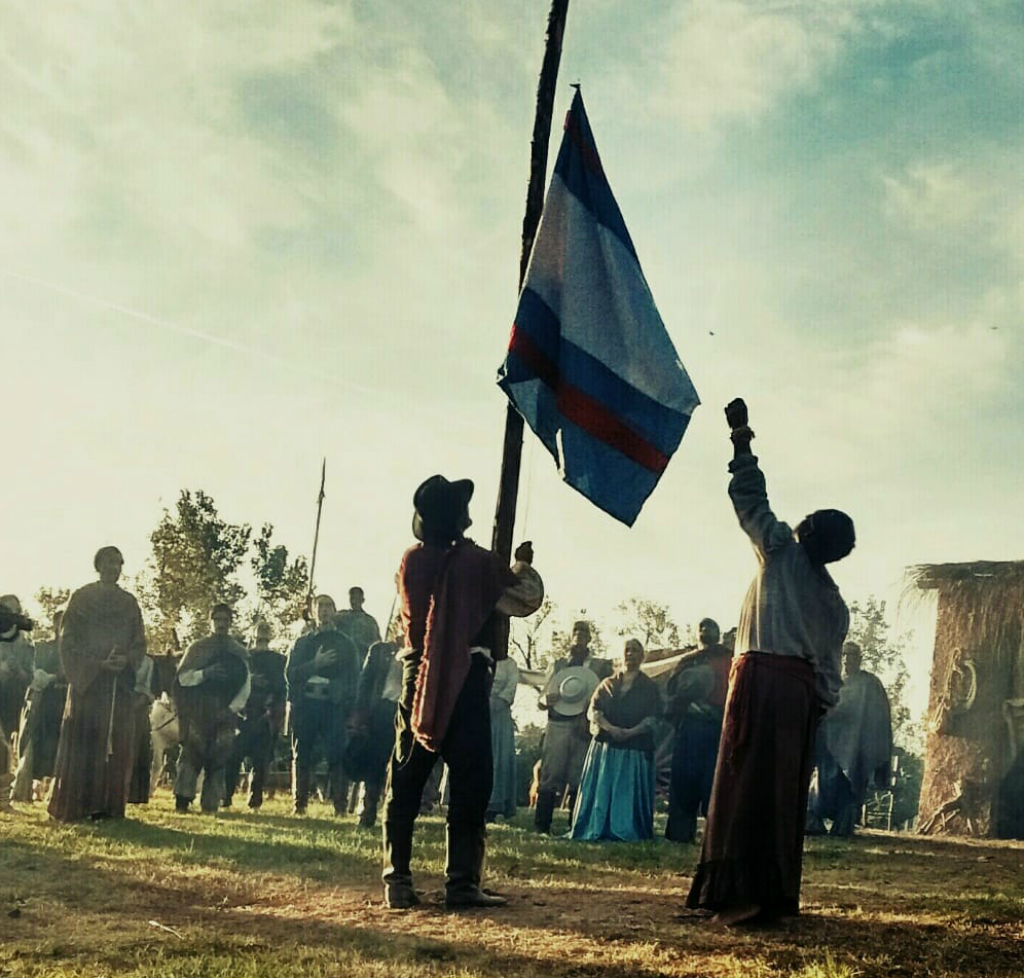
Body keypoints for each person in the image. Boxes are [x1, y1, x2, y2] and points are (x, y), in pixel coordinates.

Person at [686, 398, 854, 926]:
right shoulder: (834, 603)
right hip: (798, 697)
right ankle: (771, 897)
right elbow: (829, 676)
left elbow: (749, 497)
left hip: (760, 683)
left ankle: (734, 898)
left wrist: (741, 438)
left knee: (741, 786)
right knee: (780, 795)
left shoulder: (780, 550)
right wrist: (814, 709)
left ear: (806, 530)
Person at [382, 474, 542, 909]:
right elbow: (524, 599)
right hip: (467, 677)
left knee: (406, 778)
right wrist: (521, 565)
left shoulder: (410, 561)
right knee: (471, 784)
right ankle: (461, 884)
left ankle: (397, 881)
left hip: (417, 675)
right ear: (457, 518)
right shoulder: (476, 564)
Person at [48, 546, 148, 822]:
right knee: (86, 743)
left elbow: (139, 641)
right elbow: (68, 641)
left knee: (115, 744)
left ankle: (108, 807)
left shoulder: (129, 602)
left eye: (118, 563)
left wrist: (126, 660)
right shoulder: (81, 598)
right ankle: (79, 805)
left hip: (118, 687)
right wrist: (95, 664)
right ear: (98, 565)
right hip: (89, 687)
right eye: (108, 562)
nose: (113, 568)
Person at [571, 638, 662, 841]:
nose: (630, 653)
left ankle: (625, 828)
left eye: (636, 650)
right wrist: (611, 729)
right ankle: (598, 825)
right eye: (627, 650)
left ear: (642, 655)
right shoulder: (607, 684)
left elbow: (654, 717)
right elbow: (594, 711)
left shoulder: (649, 687)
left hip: (635, 749)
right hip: (606, 749)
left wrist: (631, 732)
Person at [806, 641, 892, 837]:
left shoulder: (869, 685)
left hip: (856, 747)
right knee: (822, 781)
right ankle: (814, 823)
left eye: (852, 655)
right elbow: (822, 706)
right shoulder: (832, 680)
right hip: (829, 746)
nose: (847, 659)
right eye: (844, 655)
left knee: (850, 786)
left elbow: (878, 717)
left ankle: (843, 826)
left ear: (860, 658)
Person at [534, 621, 613, 834]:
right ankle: (542, 825)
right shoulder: (558, 665)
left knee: (579, 775)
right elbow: (542, 699)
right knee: (550, 773)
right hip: (557, 723)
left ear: (589, 638)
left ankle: (575, 825)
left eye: (584, 632)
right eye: (576, 631)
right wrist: (546, 700)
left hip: (583, 727)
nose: (579, 636)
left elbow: (605, 697)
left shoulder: (599, 666)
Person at [286, 594, 360, 815]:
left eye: (329, 606)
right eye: (320, 606)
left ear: (335, 611)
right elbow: (291, 674)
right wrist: (314, 665)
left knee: (337, 754)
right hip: (306, 704)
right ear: (313, 611)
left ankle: (340, 806)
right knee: (302, 754)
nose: (325, 610)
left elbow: (354, 678)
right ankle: (299, 805)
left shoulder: (346, 644)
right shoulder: (302, 643)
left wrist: (347, 705)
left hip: (333, 705)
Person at [173, 604, 250, 814]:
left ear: (230, 622)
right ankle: (183, 799)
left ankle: (211, 803)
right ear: (211, 621)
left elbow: (245, 686)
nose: (222, 624)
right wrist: (205, 674)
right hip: (198, 710)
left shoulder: (239, 652)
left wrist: (232, 709)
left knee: (220, 757)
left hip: (226, 712)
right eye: (218, 619)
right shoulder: (197, 649)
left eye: (226, 620)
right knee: (191, 754)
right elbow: (183, 678)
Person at [664, 618, 733, 843]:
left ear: (718, 632)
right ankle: (680, 834)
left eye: (711, 627)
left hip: (718, 725)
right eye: (701, 627)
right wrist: (685, 706)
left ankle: (715, 836)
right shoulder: (687, 661)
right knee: (684, 778)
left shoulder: (728, 658)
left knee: (713, 781)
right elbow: (672, 692)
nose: (705, 631)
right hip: (690, 726)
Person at [225, 621, 287, 810]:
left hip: (265, 715)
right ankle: (226, 797)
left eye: (266, 631)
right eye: (260, 632)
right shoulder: (244, 657)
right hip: (243, 713)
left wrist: (274, 712)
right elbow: (232, 682)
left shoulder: (279, 660)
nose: (263, 635)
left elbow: (282, 688)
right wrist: (248, 680)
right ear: (253, 634)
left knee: (261, 762)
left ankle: (255, 801)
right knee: (233, 757)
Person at [346, 636, 402, 828]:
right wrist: (360, 715)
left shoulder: (422, 650)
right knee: (373, 765)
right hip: (382, 711)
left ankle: (396, 816)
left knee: (402, 767)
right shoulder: (379, 650)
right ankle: (366, 812)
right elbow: (365, 684)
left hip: (408, 712)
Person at [11, 610, 67, 803]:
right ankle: (30, 786)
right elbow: (34, 671)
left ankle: (55, 789)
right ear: (55, 625)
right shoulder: (43, 647)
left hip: (65, 702)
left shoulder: (75, 652)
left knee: (60, 744)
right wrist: (49, 677)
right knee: (37, 741)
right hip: (44, 702)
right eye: (61, 623)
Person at [486, 647, 520, 822]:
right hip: (474, 710)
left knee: (497, 758)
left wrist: (494, 703)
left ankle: (494, 804)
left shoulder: (509, 664)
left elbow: (510, 690)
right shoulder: (475, 656)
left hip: (499, 716)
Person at [127, 652, 157, 804]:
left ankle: (135, 794)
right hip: (119, 700)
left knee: (137, 747)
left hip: (139, 704)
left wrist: (137, 705)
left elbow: (147, 687)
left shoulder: (147, 662)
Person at [337, 587, 381, 660]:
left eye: (357, 599)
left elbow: (376, 645)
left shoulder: (370, 622)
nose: (354, 602)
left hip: (362, 658)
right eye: (352, 598)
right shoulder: (340, 617)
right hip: (343, 658)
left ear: (362, 600)